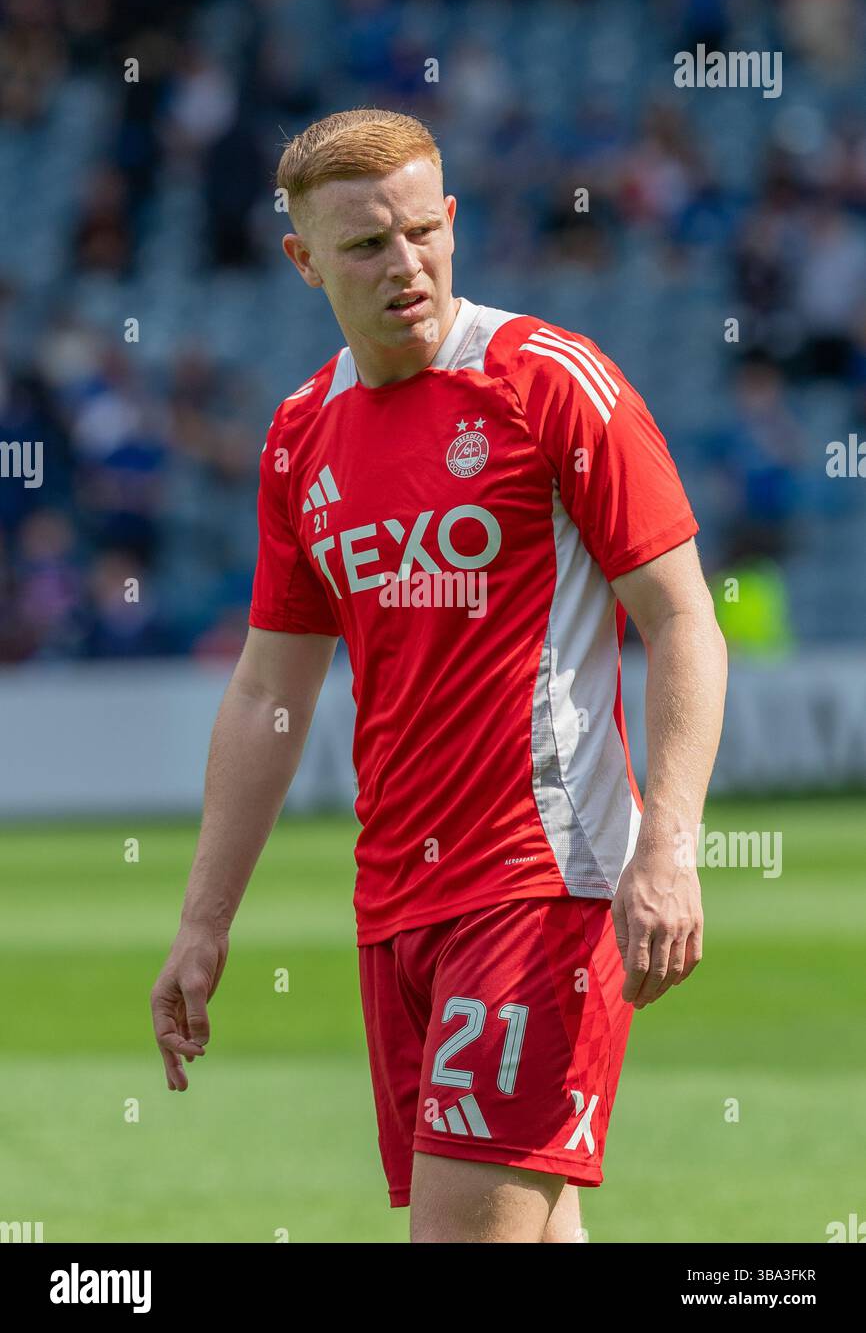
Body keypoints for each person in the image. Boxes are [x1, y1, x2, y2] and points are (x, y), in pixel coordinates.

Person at [150, 108, 727, 1244]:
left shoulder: (548, 382)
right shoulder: (297, 436)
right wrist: (204, 920)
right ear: (303, 259)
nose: (403, 265)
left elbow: (681, 621)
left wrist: (667, 849)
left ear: (452, 221)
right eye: (364, 246)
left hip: (540, 882)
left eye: (421, 231)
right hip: (396, 904)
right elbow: (272, 686)